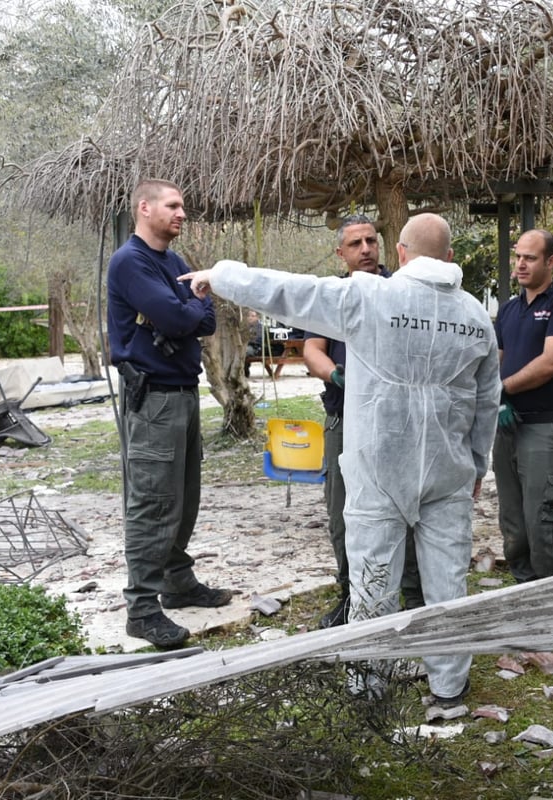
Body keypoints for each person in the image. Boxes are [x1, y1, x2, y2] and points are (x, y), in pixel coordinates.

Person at [180, 213, 500, 704]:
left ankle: (368, 687)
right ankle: (449, 685)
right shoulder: (476, 315)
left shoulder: (370, 296)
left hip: (378, 466)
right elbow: (485, 401)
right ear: (452, 257)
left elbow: (291, 292)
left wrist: (221, 276)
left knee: (373, 580)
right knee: (447, 585)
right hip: (448, 470)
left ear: (401, 253)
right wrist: (477, 465)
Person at [107, 178, 236, 649]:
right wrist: (194, 304)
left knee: (183, 497)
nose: (182, 213)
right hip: (153, 398)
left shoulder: (173, 261)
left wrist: (193, 306)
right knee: (152, 504)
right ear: (144, 208)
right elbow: (185, 319)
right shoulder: (130, 262)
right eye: (173, 205)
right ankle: (141, 609)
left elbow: (204, 320)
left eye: (183, 206)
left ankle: (177, 582)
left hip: (182, 392)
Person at [303, 214, 423, 628]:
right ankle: (350, 596)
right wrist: (334, 372)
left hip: (395, 423)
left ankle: (413, 599)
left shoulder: (401, 291)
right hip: (342, 419)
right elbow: (312, 350)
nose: (366, 249)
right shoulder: (334, 294)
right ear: (341, 253)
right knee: (341, 514)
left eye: (371, 240)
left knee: (403, 512)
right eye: (355, 244)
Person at [492, 229, 553, 583]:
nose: (520, 264)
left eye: (530, 258)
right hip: (508, 428)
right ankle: (526, 594)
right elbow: (496, 363)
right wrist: (496, 397)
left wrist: (501, 390)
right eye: (518, 256)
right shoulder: (509, 310)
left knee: (543, 524)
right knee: (514, 526)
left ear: (551, 261)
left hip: (547, 428)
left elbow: (552, 363)